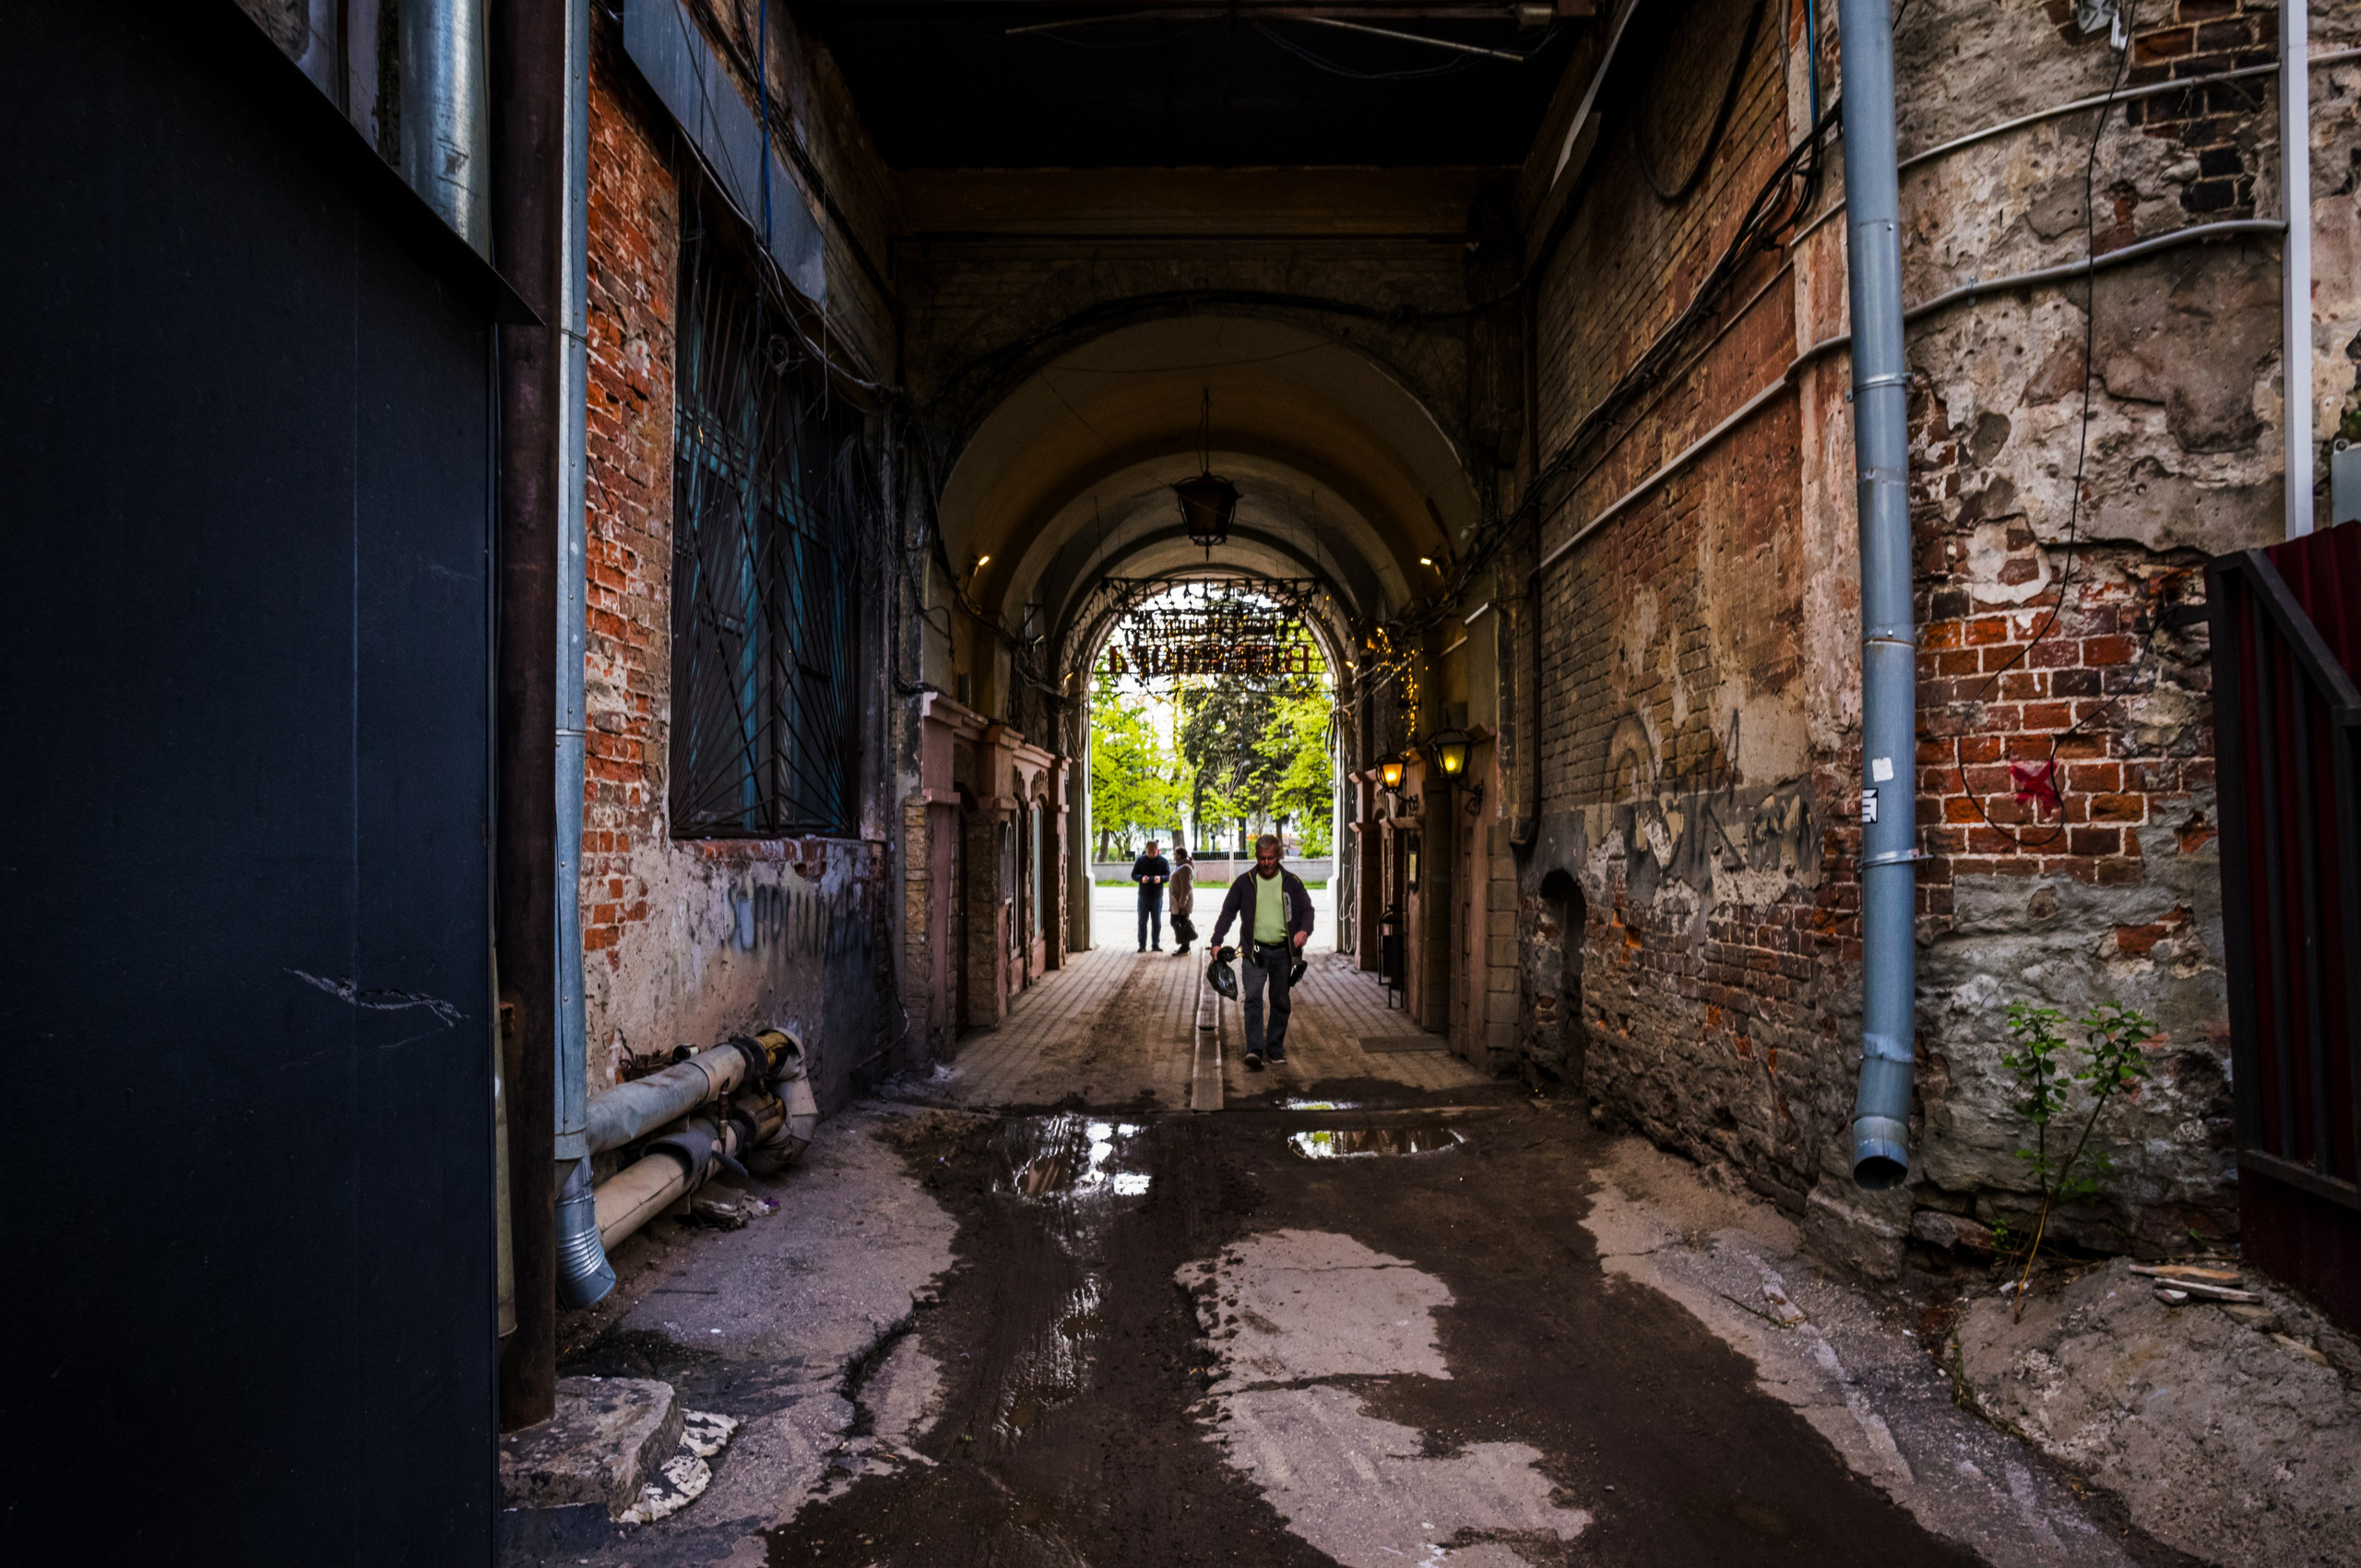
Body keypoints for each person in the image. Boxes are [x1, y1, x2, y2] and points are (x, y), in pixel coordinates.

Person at [1208, 834, 1314, 1069]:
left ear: (1279, 856)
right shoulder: (1244, 882)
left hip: (1282, 953)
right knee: (1253, 998)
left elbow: (1308, 910)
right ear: (1256, 857)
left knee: (1280, 1000)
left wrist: (1304, 930)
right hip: (1254, 951)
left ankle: (1275, 1048)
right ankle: (1254, 1050)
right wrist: (1216, 940)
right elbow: (1228, 912)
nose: (1266, 863)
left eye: (1271, 858)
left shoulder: (1292, 882)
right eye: (1262, 858)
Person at [1130, 839, 1171, 953]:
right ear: (1146, 850)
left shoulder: (1163, 861)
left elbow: (1168, 875)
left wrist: (1160, 878)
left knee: (1156, 921)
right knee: (1142, 921)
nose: (1151, 854)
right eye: (1149, 852)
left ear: (1157, 849)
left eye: (1153, 852)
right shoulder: (1140, 860)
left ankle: (1155, 944)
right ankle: (1142, 945)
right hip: (1143, 895)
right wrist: (1141, 878)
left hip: (1157, 895)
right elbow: (1133, 874)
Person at [1168, 847, 1196, 956]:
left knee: (1181, 923)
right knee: (1178, 922)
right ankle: (1185, 946)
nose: (1174, 856)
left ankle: (1185, 947)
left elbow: (1186, 887)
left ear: (1179, 855)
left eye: (1175, 854)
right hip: (1177, 902)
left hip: (1181, 903)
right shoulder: (1179, 866)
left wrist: (1183, 901)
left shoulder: (1185, 868)